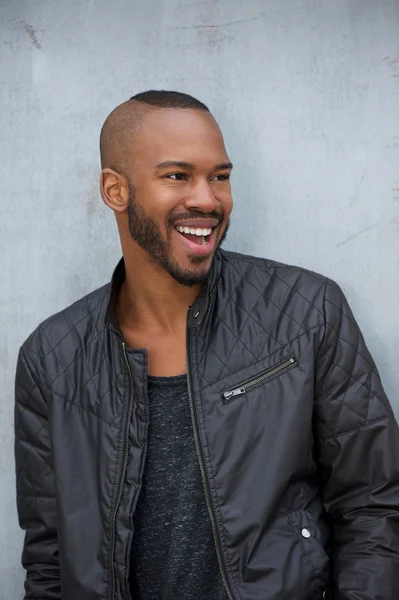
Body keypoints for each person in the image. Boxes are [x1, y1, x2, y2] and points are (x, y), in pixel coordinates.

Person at [14, 89, 399, 600]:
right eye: (178, 176)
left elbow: (374, 505)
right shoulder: (52, 359)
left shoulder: (307, 312)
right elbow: (50, 560)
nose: (208, 199)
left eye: (220, 176)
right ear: (115, 190)